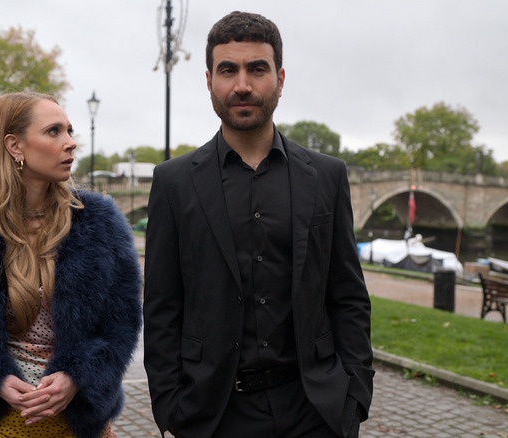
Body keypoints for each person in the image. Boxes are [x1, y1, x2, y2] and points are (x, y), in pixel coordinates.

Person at [143, 11, 373, 438]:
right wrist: (171, 406)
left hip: (316, 411)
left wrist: (354, 395)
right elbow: (162, 306)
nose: (242, 85)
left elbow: (348, 295)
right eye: (228, 70)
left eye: (257, 69)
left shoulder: (326, 175)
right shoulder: (173, 182)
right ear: (209, 79)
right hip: (213, 413)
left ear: (280, 80)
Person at [0, 92, 141, 438]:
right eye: (53, 131)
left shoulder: (100, 224)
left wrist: (76, 376)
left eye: (70, 130)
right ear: (14, 146)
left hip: (78, 424)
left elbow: (120, 326)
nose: (71, 143)